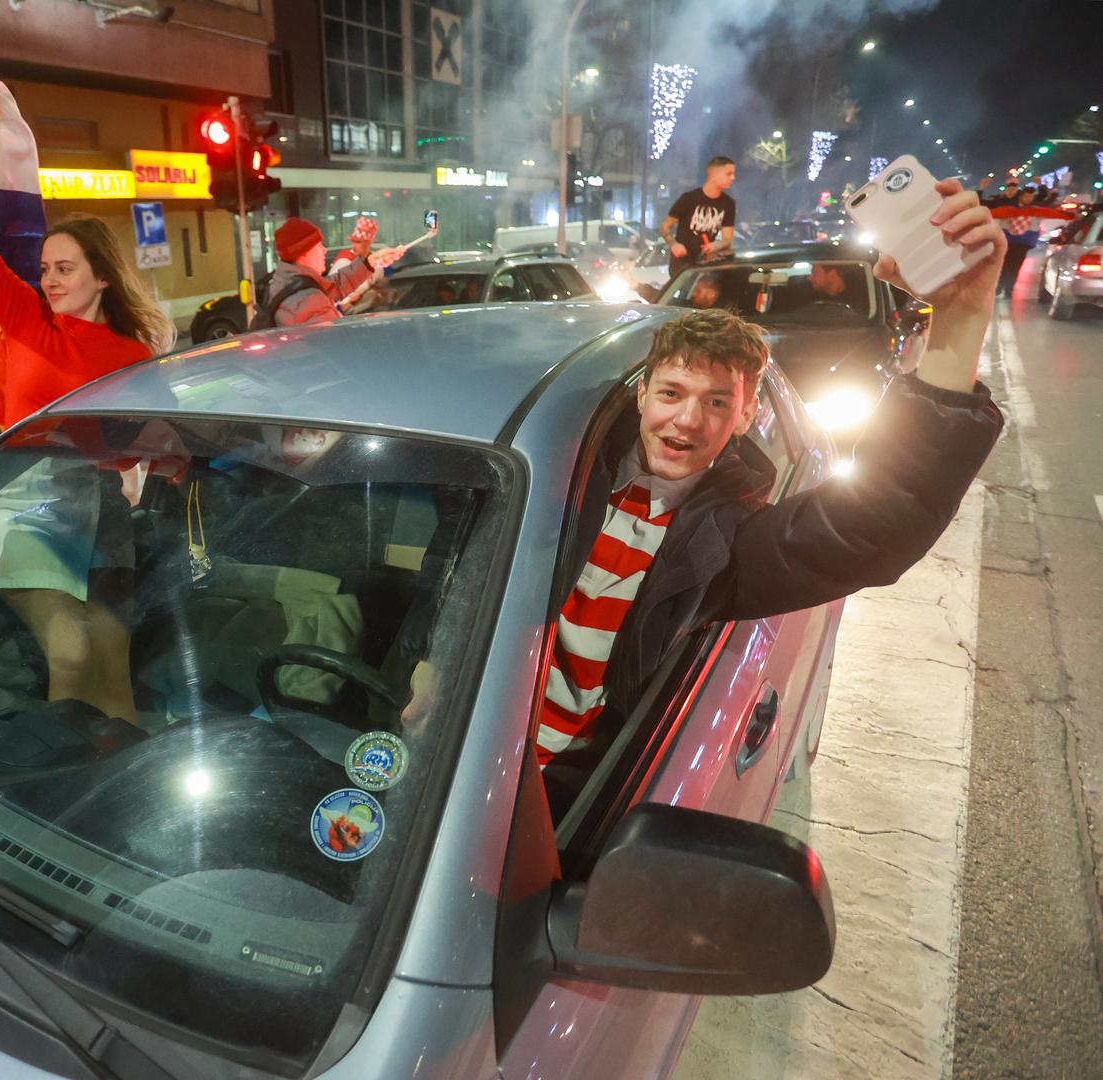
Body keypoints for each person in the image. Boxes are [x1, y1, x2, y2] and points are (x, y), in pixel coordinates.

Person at [404, 178, 1005, 815]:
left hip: (554, 796)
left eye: (717, 403)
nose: (687, 421)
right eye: (671, 394)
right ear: (642, 396)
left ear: (745, 416)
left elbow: (876, 525)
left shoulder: (726, 544)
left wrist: (960, 323)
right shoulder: (555, 476)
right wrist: (431, 667)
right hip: (456, 748)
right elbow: (454, 569)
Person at [0, 65, 175, 723]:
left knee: (112, 652)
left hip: (94, 515)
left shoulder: (130, 354)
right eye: (44, 267)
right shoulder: (23, 318)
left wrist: (154, 462)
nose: (46, 278)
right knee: (71, 649)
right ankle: (61, 772)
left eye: (63, 268)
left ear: (102, 277)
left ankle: (119, 774)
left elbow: (154, 444)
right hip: (20, 512)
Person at [259, 217, 402, 328]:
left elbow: (333, 286)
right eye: (319, 246)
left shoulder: (291, 281)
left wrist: (371, 262)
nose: (324, 250)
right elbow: (334, 344)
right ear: (303, 254)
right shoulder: (308, 300)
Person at [661, 156, 738, 279]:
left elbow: (728, 239)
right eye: (728, 174)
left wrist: (716, 246)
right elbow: (665, 226)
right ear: (714, 175)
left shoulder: (728, 203)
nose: (733, 178)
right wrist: (674, 244)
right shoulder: (689, 199)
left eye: (733, 174)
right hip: (682, 264)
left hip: (706, 264)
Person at [996, 187, 1042, 298]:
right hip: (1008, 241)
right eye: (1026, 196)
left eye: (1031, 196)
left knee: (1015, 266)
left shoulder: (1036, 211)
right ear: (1021, 197)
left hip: (1023, 243)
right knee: (1004, 265)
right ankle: (999, 288)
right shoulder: (1010, 209)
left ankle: (1008, 289)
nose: (1029, 199)